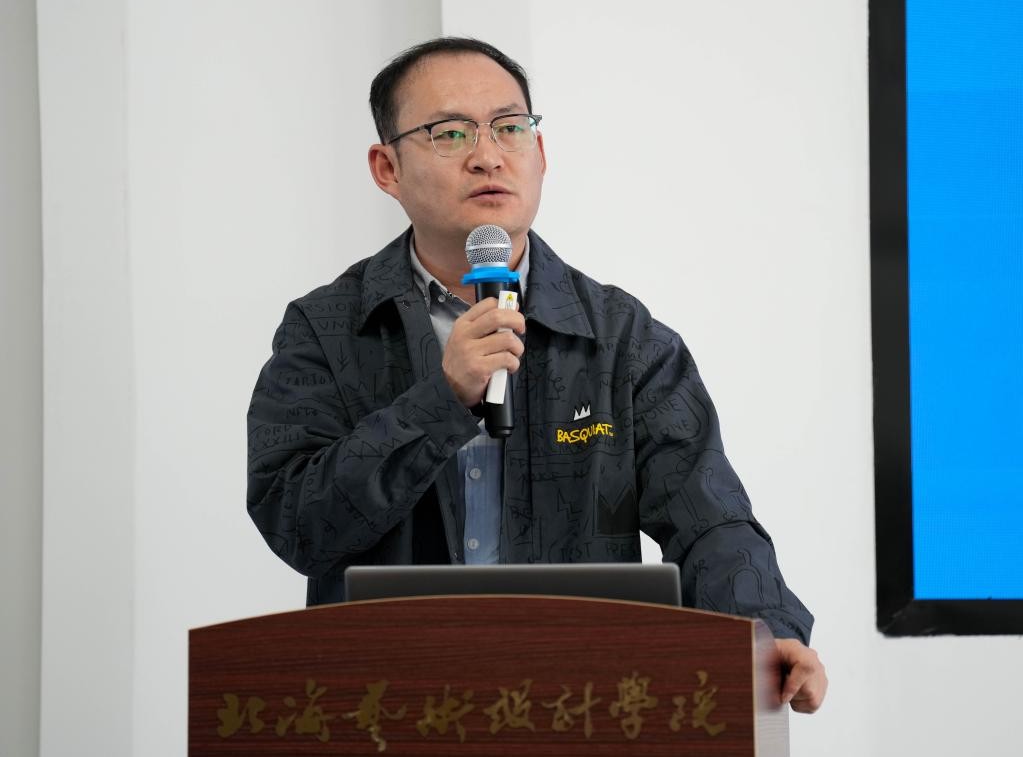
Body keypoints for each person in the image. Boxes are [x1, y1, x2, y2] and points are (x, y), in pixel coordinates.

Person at [247, 37, 827, 713]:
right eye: (450, 132)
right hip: (390, 705)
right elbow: (296, 523)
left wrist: (763, 629)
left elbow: (709, 518)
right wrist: (442, 400)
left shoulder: (620, 338)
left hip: (576, 704)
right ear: (387, 168)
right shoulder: (327, 329)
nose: (487, 155)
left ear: (540, 154)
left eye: (510, 127)